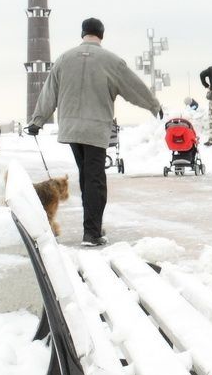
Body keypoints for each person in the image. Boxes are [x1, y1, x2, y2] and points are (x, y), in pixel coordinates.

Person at [27, 17, 162, 246]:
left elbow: (49, 92)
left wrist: (36, 121)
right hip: (95, 129)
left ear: (82, 33)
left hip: (71, 129)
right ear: (101, 35)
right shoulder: (111, 61)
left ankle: (92, 225)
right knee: (95, 180)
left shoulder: (63, 59)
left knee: (86, 176)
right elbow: (133, 87)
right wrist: (153, 105)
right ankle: (92, 232)